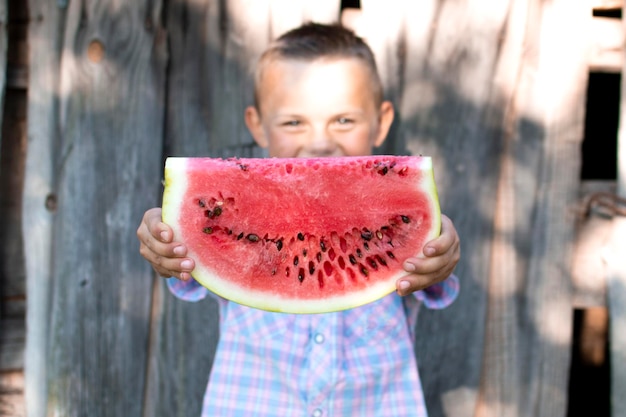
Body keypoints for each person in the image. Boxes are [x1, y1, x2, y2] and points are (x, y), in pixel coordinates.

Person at [137, 22, 461, 417]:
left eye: (344, 120)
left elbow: (432, 269)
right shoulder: (232, 211)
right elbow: (190, 257)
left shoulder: (392, 217)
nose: (320, 142)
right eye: (294, 122)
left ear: (382, 121)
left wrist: (441, 250)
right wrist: (167, 237)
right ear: (257, 124)